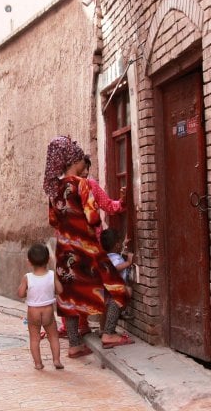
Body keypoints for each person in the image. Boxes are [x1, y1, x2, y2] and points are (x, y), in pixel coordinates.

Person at [43, 136, 134, 356]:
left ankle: (74, 345)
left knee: (71, 297)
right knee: (118, 288)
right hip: (87, 249)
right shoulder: (81, 185)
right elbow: (93, 218)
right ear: (74, 160)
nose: (85, 164)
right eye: (81, 159)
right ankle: (109, 333)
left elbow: (53, 221)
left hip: (65, 251)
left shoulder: (54, 190)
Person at [56, 154, 126, 338]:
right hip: (89, 247)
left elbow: (55, 221)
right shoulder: (88, 186)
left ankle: (77, 335)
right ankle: (104, 332)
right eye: (84, 167)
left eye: (88, 168)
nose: (86, 172)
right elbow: (97, 215)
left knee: (73, 290)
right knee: (114, 288)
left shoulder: (58, 188)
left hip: (68, 247)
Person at [17, 243, 64, 370]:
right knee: (53, 336)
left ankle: (38, 363)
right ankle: (56, 360)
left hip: (33, 312)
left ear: (29, 262)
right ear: (48, 260)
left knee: (34, 338)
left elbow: (20, 294)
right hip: (48, 310)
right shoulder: (51, 275)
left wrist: (25, 287)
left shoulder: (27, 278)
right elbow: (60, 290)